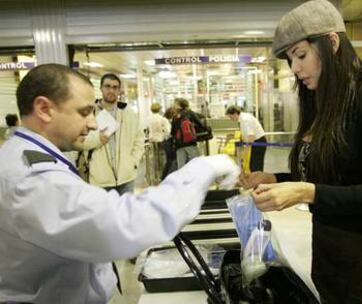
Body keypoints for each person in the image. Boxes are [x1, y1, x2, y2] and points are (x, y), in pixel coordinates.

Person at [0, 63, 240, 303]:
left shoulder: (26, 156)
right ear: (44, 109)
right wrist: (201, 169)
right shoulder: (30, 177)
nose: (93, 123)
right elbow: (119, 224)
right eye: (84, 113)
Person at [245, 1, 362, 303]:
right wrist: (276, 177)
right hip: (329, 250)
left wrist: (306, 192)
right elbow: (329, 175)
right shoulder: (321, 102)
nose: (296, 69)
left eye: (301, 55)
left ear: (332, 42)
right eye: (290, 60)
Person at [81, 73, 144, 195]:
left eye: (115, 87)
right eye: (107, 86)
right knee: (103, 213)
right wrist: (98, 139)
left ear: (119, 90)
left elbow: (139, 139)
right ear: (101, 89)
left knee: (126, 213)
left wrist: (133, 162)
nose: (111, 90)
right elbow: (79, 142)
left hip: (126, 178)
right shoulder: (89, 113)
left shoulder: (129, 113)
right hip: (100, 180)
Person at [226, 105, 267, 172]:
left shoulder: (245, 120)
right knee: (253, 165)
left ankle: (258, 181)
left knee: (256, 166)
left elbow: (251, 137)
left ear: (235, 113)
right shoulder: (242, 119)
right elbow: (246, 134)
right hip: (255, 143)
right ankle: (256, 181)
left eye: (231, 117)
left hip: (258, 143)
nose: (230, 119)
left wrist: (244, 152)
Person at [171, 98, 204, 169]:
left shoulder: (175, 116)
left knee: (181, 167)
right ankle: (195, 179)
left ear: (179, 105)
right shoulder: (190, 113)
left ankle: (183, 179)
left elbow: (173, 132)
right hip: (190, 143)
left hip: (179, 145)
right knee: (196, 164)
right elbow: (201, 125)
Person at [148, 103, 171, 182]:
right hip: (161, 140)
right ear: (159, 109)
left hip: (151, 140)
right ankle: (162, 175)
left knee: (154, 158)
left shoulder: (149, 119)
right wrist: (165, 136)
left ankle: (155, 175)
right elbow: (168, 131)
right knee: (163, 158)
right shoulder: (162, 119)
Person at [162, 106, 178, 179]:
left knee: (170, 160)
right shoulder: (166, 121)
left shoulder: (165, 120)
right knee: (170, 160)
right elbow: (168, 132)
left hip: (166, 141)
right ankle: (164, 176)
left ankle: (164, 176)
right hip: (168, 141)